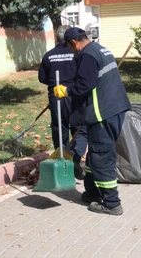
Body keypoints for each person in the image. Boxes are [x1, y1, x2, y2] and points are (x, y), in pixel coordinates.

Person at [54, 27, 131, 215]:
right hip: (115, 108)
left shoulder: (87, 55)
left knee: (101, 156)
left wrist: (66, 90)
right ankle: (92, 193)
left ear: (73, 43)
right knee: (95, 154)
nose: (72, 52)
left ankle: (112, 203)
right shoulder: (100, 49)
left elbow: (85, 85)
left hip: (102, 113)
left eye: (70, 48)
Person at [38, 25, 88, 179]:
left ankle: (63, 161)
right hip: (74, 94)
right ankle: (74, 157)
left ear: (56, 38)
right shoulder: (77, 53)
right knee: (80, 128)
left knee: (60, 128)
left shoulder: (49, 55)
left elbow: (43, 78)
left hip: (56, 96)